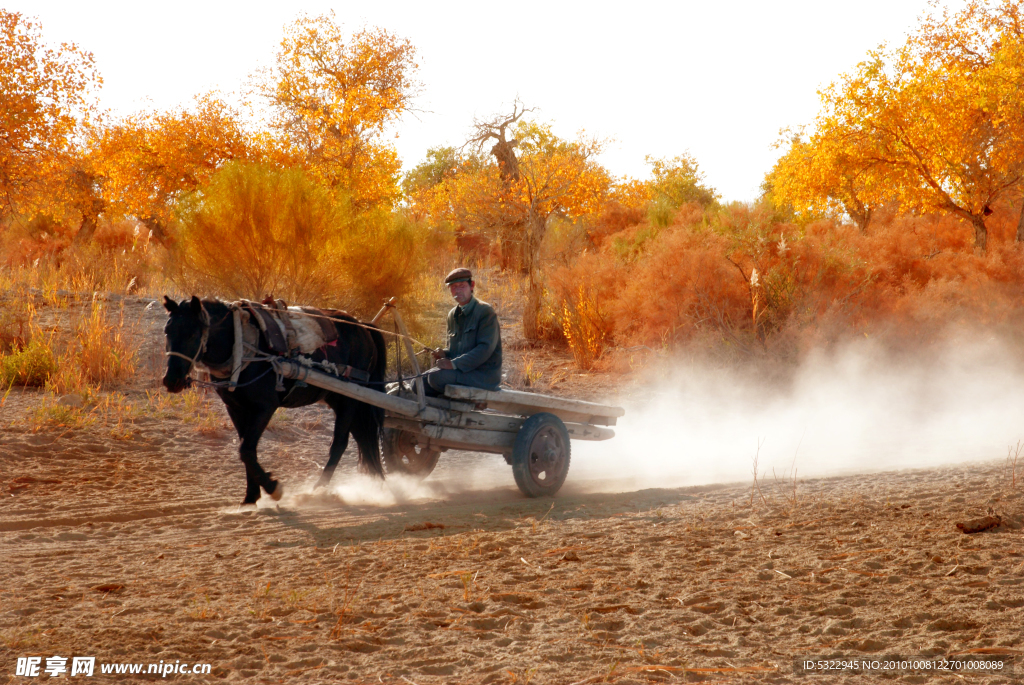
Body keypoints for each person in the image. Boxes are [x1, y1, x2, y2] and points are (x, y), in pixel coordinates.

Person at [426, 267, 503, 396]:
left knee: (435, 377)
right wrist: (444, 353)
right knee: (417, 382)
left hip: (483, 375)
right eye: (454, 287)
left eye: (462, 286)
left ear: (471, 285)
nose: (458, 290)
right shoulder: (452, 315)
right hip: (462, 372)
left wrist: (453, 364)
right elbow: (454, 349)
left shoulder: (485, 311)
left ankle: (450, 410)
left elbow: (485, 349)